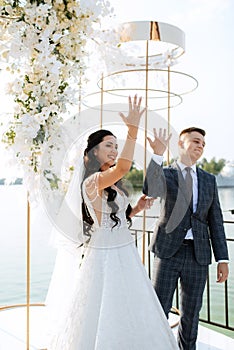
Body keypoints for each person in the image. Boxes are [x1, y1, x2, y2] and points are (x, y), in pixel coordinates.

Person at [45, 96, 178, 350]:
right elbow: (123, 168)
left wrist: (136, 209)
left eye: (116, 146)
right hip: (104, 254)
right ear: (93, 153)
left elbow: (113, 219)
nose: (114, 150)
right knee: (105, 303)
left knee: (128, 303)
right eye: (109, 145)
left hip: (124, 250)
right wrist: (132, 131)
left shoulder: (112, 185)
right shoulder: (91, 182)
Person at [143, 127, 229, 350]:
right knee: (159, 308)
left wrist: (223, 259)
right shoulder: (167, 174)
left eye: (203, 143)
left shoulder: (209, 180)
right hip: (168, 251)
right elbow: (150, 188)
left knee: (191, 313)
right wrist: (157, 155)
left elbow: (216, 221)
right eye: (195, 141)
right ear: (181, 145)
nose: (200, 146)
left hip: (198, 255)